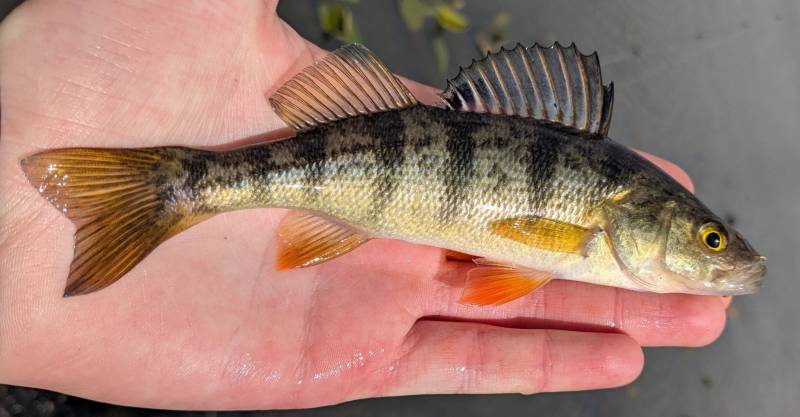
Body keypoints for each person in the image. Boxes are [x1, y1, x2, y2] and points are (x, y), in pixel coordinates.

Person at [0, 0, 729, 410]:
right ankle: (178, 187)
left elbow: (509, 261)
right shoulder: (599, 213)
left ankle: (172, 189)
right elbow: (509, 257)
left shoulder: (600, 220)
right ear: (644, 213)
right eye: (710, 240)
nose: (718, 254)